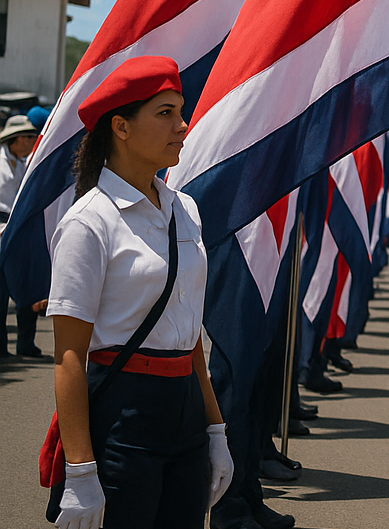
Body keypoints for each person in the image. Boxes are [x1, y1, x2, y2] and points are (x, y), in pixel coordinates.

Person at [45, 56, 233, 529]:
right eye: (165, 112)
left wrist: (215, 430)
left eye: (181, 111)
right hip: (124, 414)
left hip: (185, 408)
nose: (182, 124)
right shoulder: (90, 221)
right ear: (122, 128)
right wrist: (82, 472)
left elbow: (188, 335)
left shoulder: (184, 209)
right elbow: (69, 355)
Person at [1, 113, 42, 357]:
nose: (31, 141)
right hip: (2, 229)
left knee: (28, 285)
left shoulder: (26, 164)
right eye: (27, 136)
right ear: (14, 140)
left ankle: (26, 342)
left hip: (20, 230)